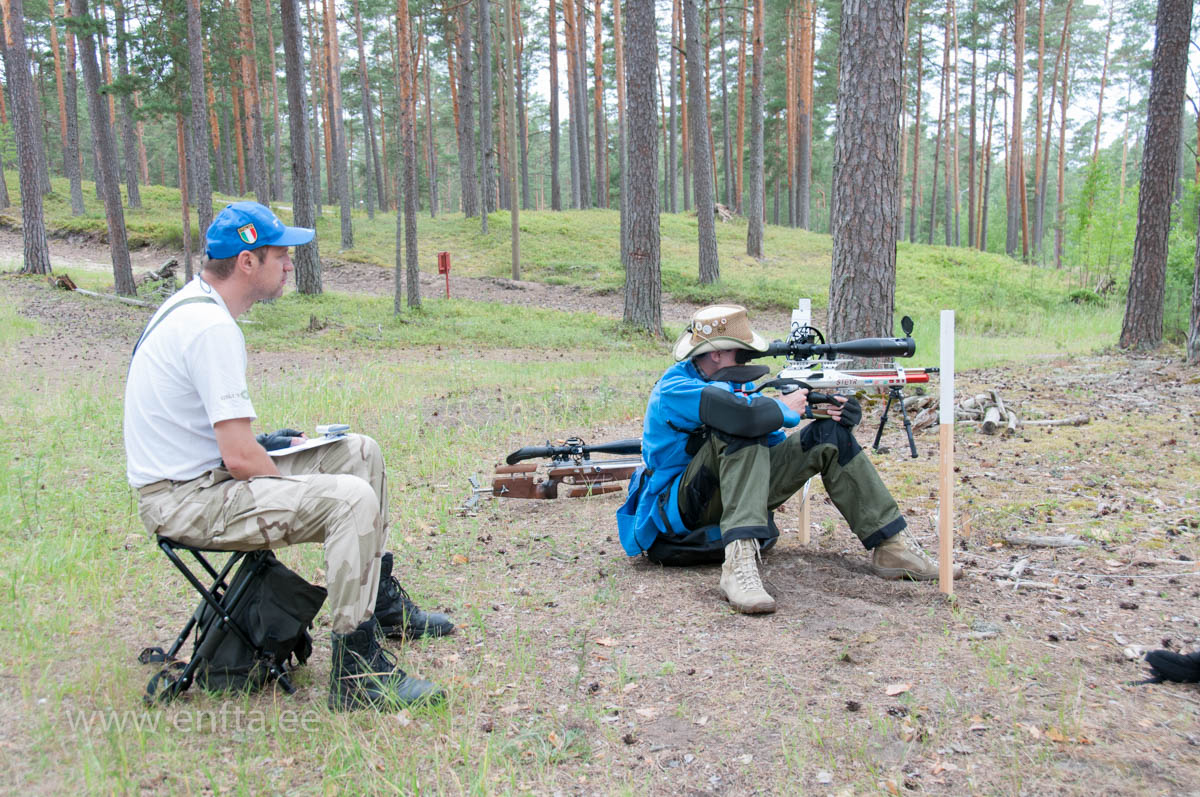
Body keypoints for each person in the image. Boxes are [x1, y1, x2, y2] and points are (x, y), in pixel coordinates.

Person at [125, 201, 454, 710]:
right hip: (185, 499)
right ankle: (356, 673)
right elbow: (239, 457)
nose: (290, 265)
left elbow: (229, 447)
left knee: (357, 453)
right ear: (247, 262)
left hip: (203, 477)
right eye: (281, 255)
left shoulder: (196, 306)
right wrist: (299, 484)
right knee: (349, 500)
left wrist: (278, 457)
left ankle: (380, 604)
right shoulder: (211, 329)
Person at [617, 304, 953, 614]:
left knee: (827, 437)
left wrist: (832, 413)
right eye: (741, 352)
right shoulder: (674, 388)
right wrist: (780, 408)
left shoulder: (734, 387)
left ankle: (892, 547)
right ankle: (738, 570)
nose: (747, 359)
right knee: (739, 431)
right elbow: (741, 420)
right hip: (680, 510)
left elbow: (769, 444)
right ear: (716, 354)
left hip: (731, 495)